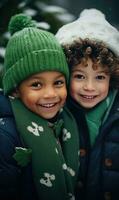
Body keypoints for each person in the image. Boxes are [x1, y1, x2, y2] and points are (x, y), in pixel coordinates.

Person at [0, 14, 79, 200]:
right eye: (36, 85)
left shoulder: (64, 123)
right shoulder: (6, 136)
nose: (50, 93)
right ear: (16, 90)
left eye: (58, 83)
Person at [56, 8, 119, 200]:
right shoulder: (56, 113)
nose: (89, 87)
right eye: (79, 76)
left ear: (113, 78)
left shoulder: (114, 113)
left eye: (100, 77)